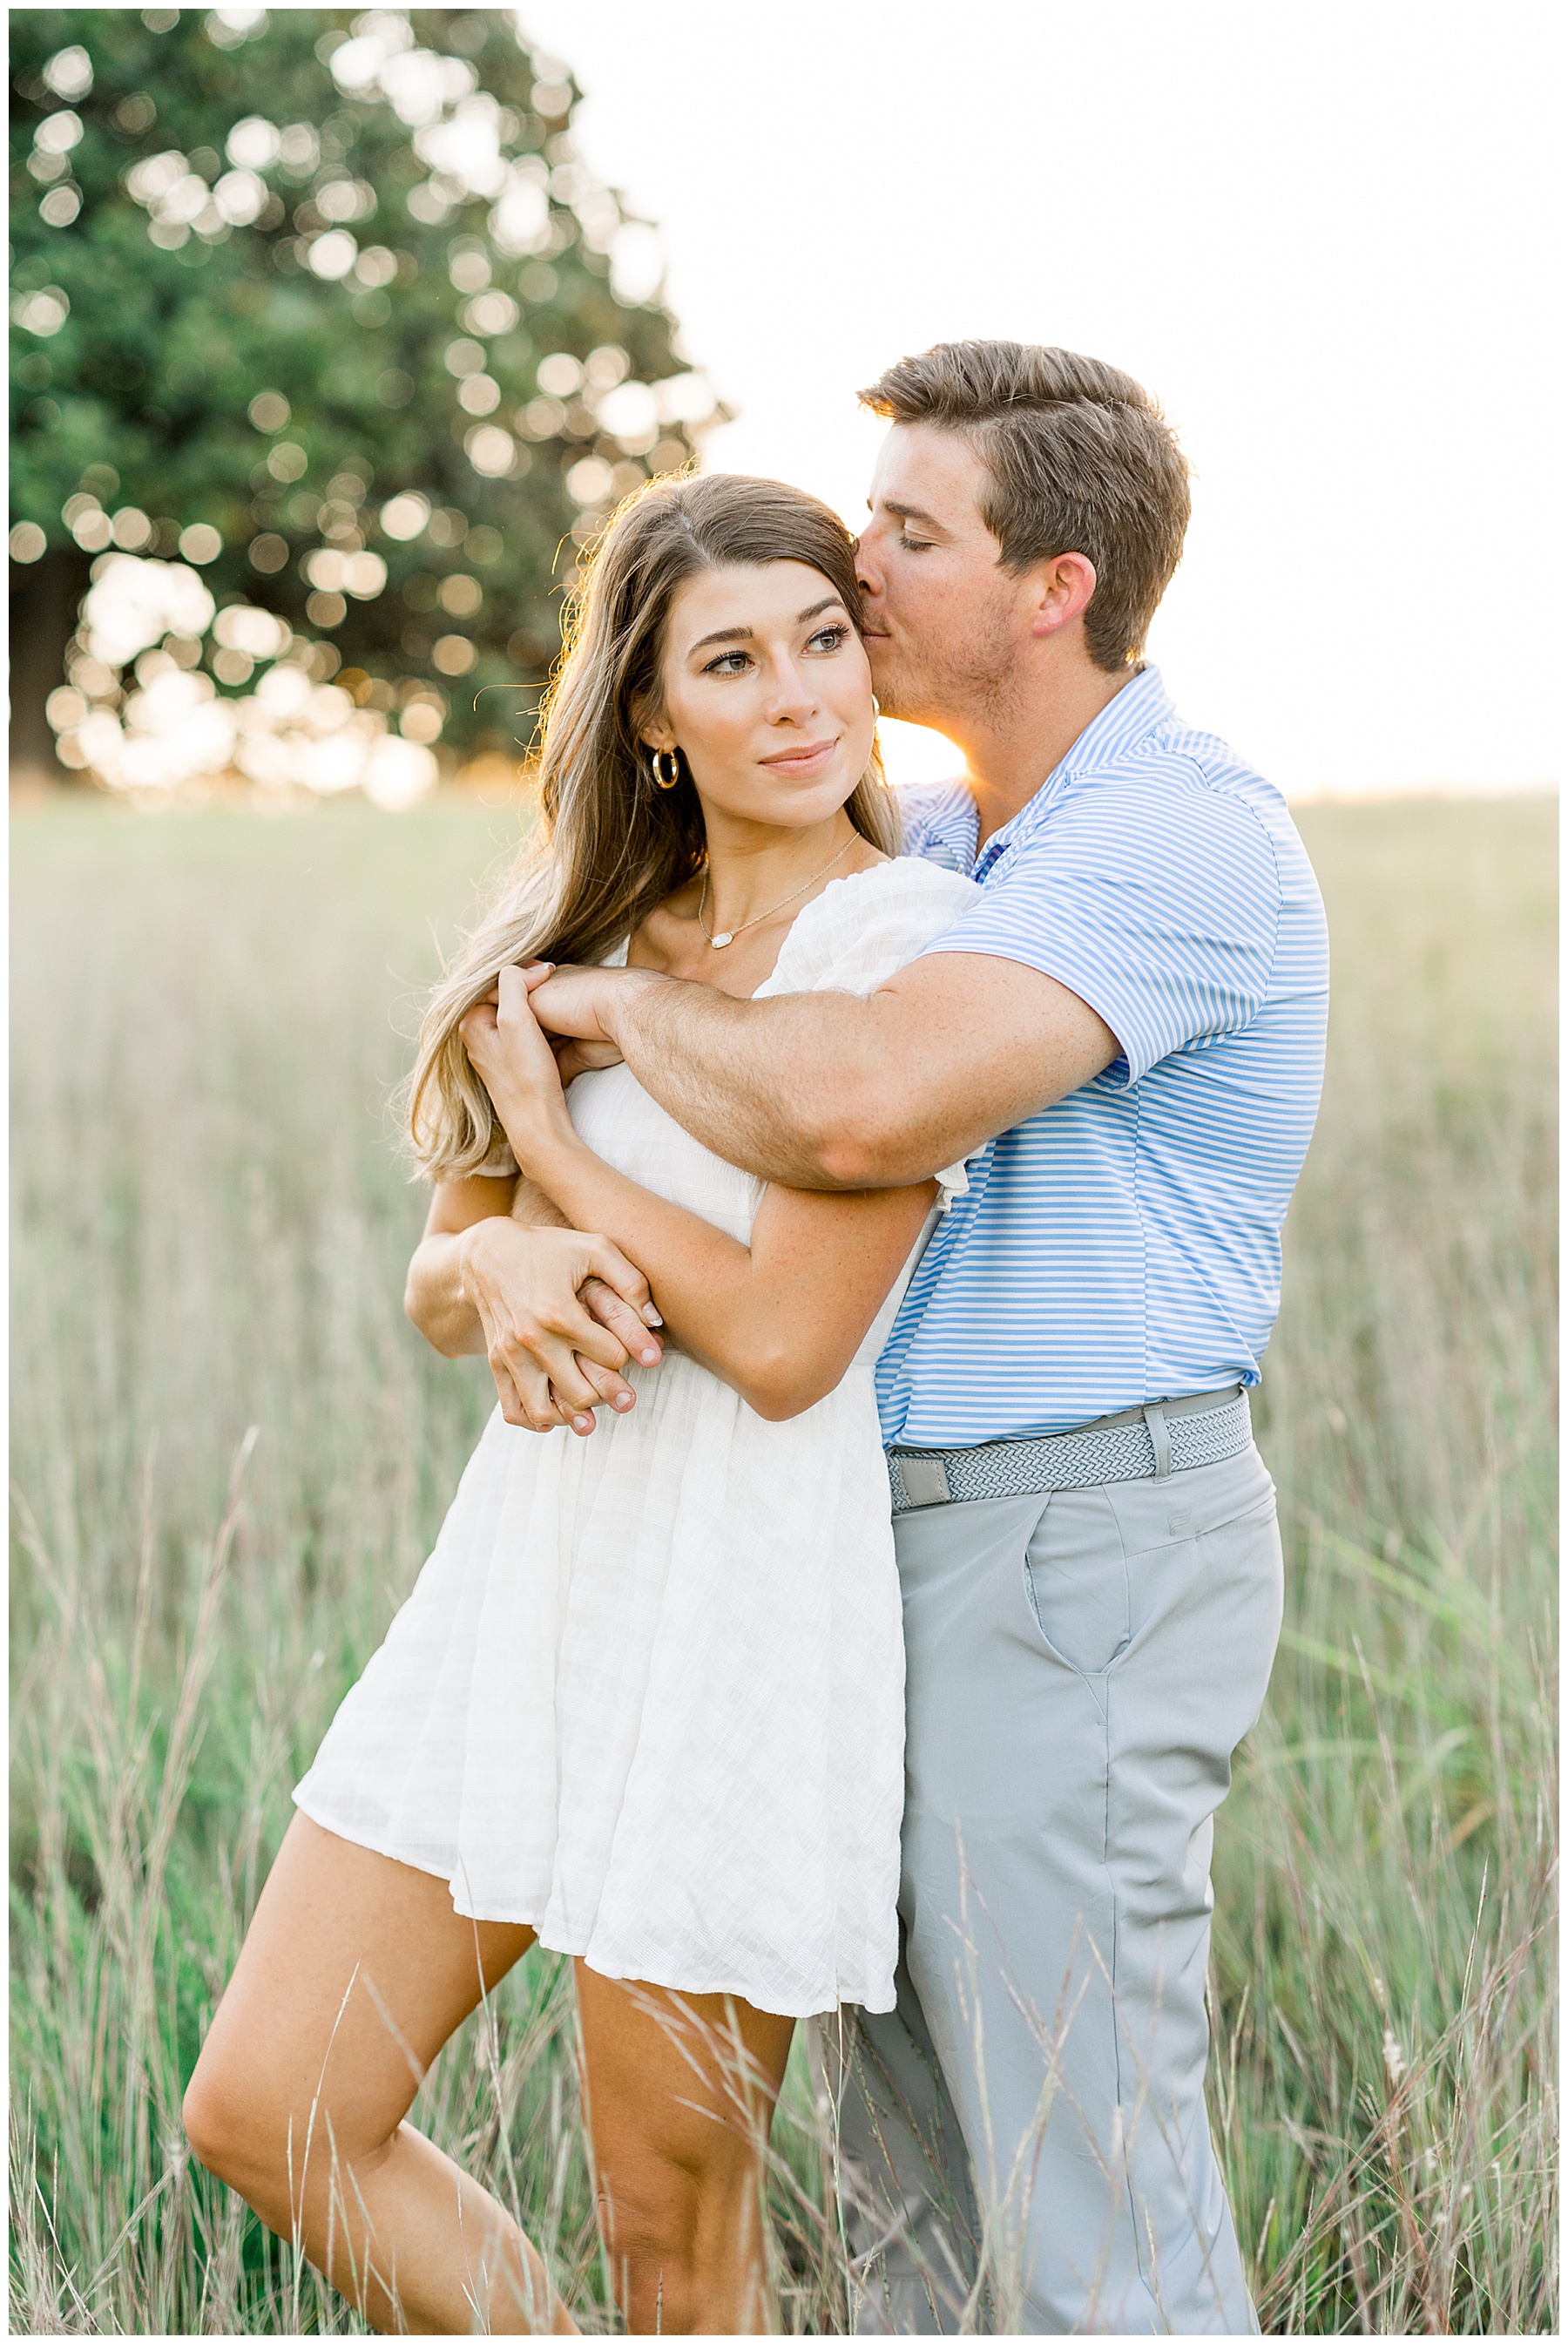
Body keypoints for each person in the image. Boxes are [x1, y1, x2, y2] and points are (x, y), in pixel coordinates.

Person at [522, 342, 1332, 2333]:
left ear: (1054, 586)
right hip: (878, 1552)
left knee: (1088, 2202)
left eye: (907, 530)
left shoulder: (1177, 839)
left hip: (1073, 1551)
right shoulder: (972, 846)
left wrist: (608, 1019)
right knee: (914, 2223)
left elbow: (865, 1102)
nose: (856, 567)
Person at [180, 471, 984, 2336]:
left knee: (667, 2236)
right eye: (731, 656)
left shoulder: (905, 948)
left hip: (735, 1603)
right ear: (649, 711)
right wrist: (503, 1258)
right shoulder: (589, 929)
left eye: (823, 638)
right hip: (523, 1584)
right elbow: (442, 1275)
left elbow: (788, 1343)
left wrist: (557, 1152)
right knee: (271, 2105)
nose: (797, 693)